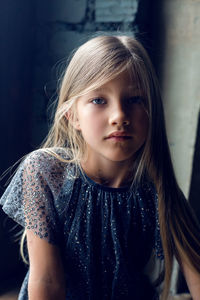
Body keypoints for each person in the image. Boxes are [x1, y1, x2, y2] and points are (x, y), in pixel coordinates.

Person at [1, 34, 200, 300]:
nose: (119, 116)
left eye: (135, 99)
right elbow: (47, 281)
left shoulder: (158, 189)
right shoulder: (45, 172)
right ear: (72, 116)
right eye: (98, 100)